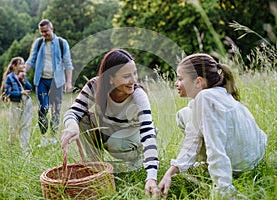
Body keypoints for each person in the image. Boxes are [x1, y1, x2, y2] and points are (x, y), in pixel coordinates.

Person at [158, 53, 267, 199]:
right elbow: (192, 140)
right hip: (253, 157)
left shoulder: (206, 98)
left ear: (198, 82)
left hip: (238, 164)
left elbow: (215, 147)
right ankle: (203, 164)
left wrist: (225, 190)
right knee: (185, 113)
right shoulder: (222, 94)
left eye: (180, 79)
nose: (176, 84)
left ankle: (213, 171)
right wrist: (170, 173)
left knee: (184, 115)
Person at [61, 49, 160, 197]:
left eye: (134, 73)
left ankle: (136, 162)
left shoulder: (138, 96)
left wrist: (151, 177)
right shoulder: (95, 86)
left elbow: (148, 134)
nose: (133, 80)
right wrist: (72, 125)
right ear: (110, 78)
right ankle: (97, 170)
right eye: (127, 76)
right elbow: (73, 112)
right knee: (81, 118)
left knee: (114, 144)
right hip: (111, 131)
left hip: (132, 136)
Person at [25, 19, 74, 146]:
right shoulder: (39, 42)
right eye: (41, 32)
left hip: (57, 82)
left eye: (46, 31)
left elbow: (68, 63)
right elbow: (31, 59)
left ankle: (52, 137)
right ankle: (43, 137)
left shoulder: (62, 43)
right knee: (43, 108)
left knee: (55, 110)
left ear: (52, 29)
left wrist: (68, 82)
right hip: (41, 81)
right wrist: (22, 72)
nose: (44, 34)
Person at [4, 57, 33, 155]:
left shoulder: (22, 76)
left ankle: (25, 149)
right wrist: (20, 92)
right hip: (15, 104)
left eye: (24, 64)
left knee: (25, 126)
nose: (23, 66)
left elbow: (30, 88)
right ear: (14, 66)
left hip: (26, 104)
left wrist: (24, 79)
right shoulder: (9, 78)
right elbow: (7, 93)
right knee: (13, 126)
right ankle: (11, 147)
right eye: (21, 64)